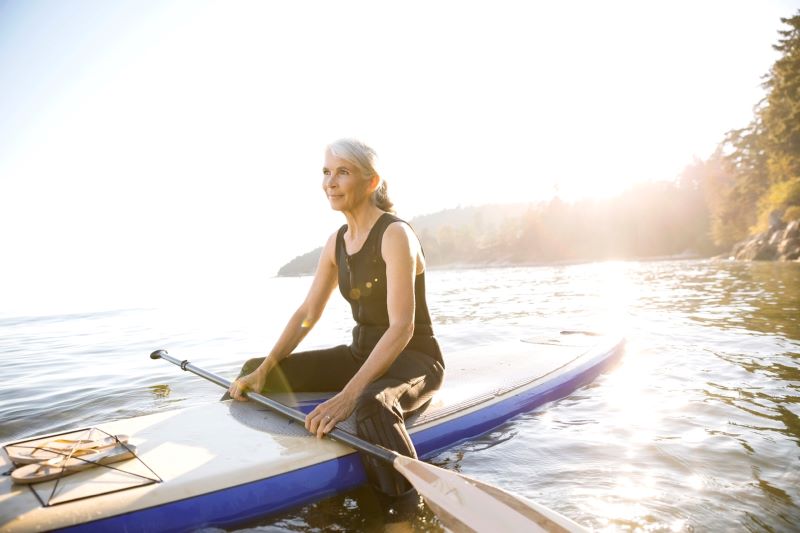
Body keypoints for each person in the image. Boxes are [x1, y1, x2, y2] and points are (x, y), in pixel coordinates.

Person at [227, 138, 445, 499]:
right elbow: (307, 313)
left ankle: (403, 510)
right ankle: (234, 465)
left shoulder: (395, 234)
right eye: (327, 172)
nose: (330, 182)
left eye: (343, 172)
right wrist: (266, 367)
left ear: (371, 182)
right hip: (362, 354)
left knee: (371, 406)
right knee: (255, 371)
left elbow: (402, 327)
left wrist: (348, 396)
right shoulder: (337, 242)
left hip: (414, 360)